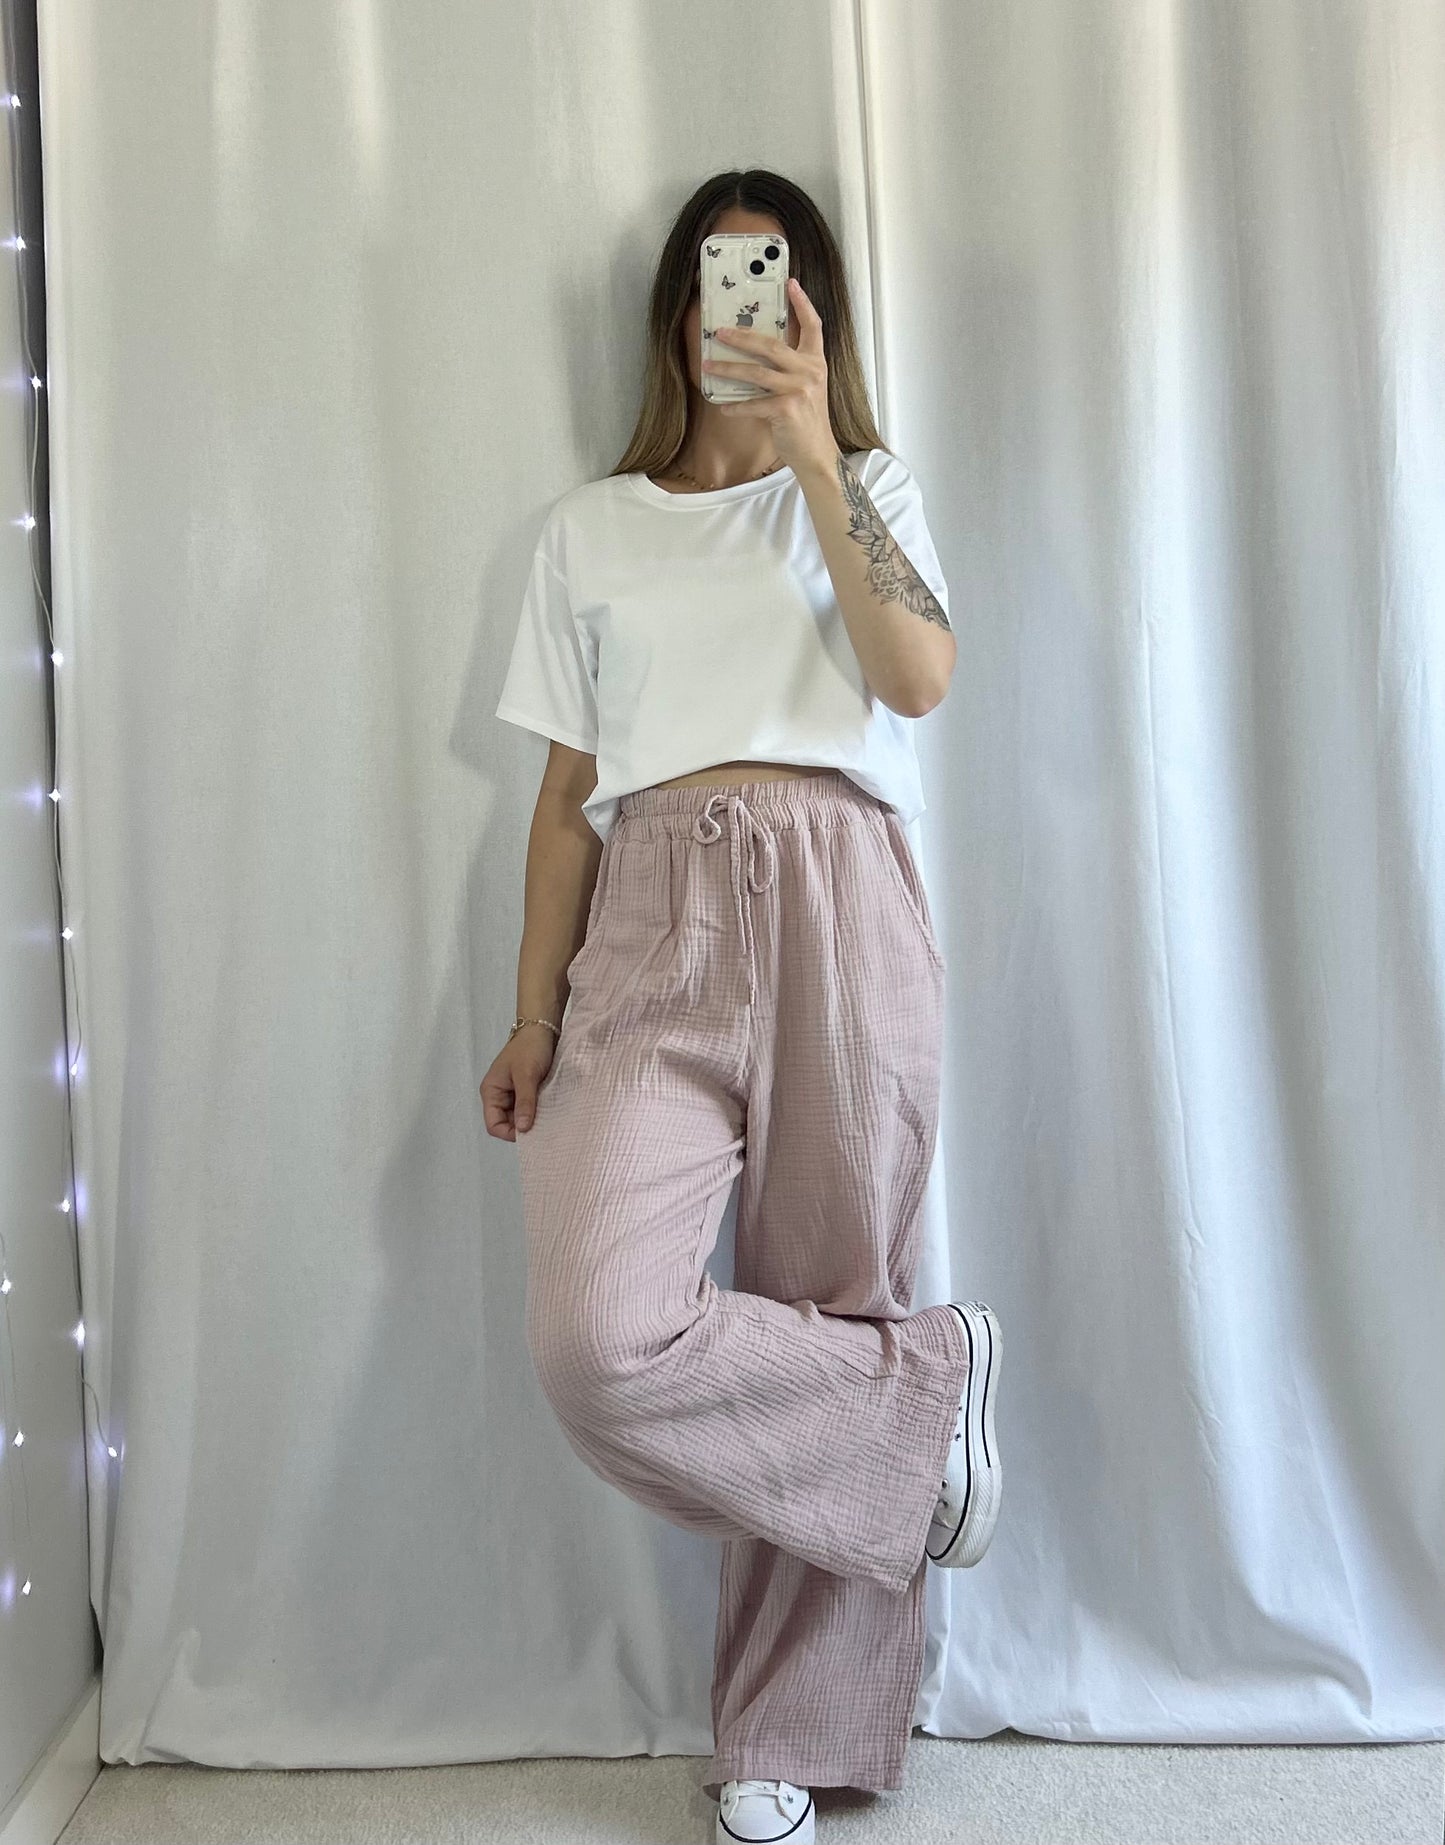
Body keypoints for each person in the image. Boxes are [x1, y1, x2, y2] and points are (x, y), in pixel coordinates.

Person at [481, 169, 1002, 1845]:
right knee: (596, 1334)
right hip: (651, 918)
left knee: (825, 1293)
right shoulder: (587, 529)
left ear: (812, 313)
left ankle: (785, 1734)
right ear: (674, 315)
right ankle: (921, 1405)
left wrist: (814, 457)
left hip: (839, 895)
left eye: (770, 285)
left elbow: (917, 678)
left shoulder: (863, 490)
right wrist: (534, 1016)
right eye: (719, 284)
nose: (743, 311)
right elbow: (564, 800)